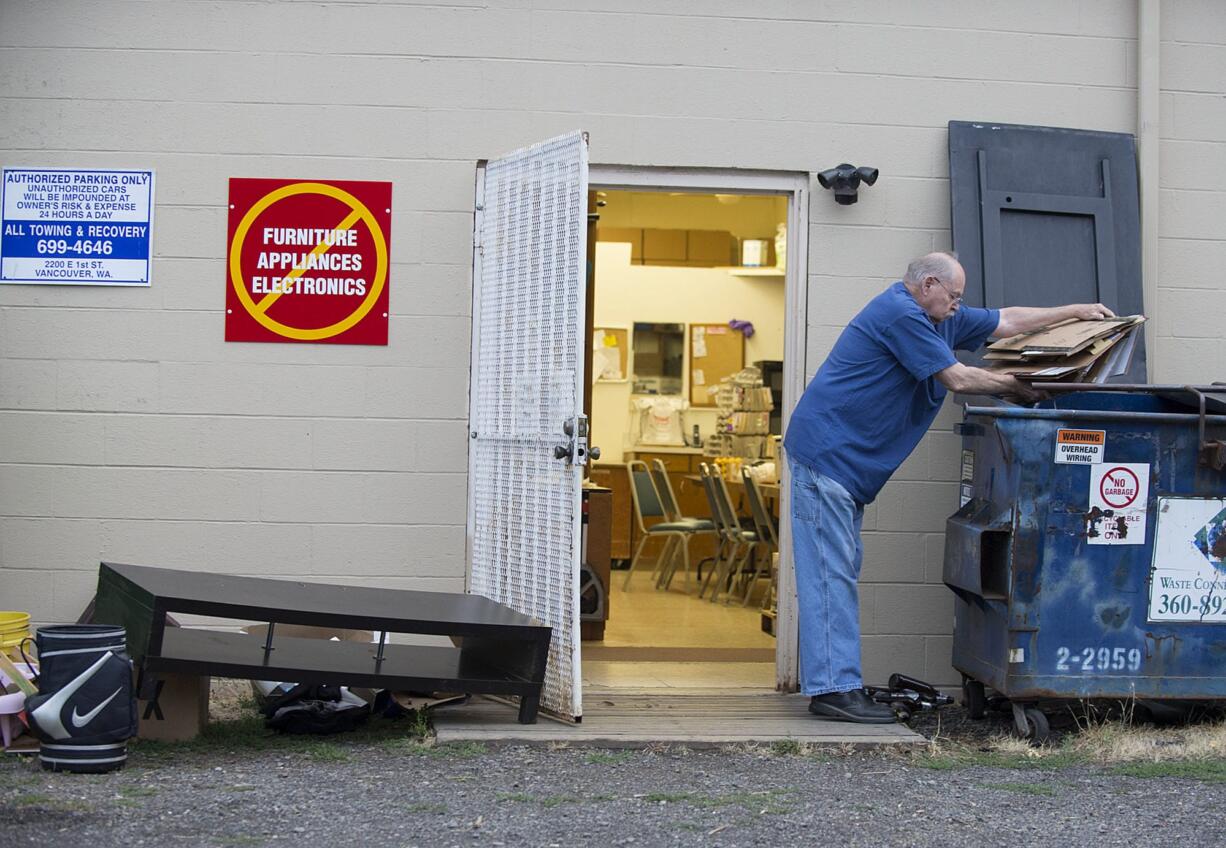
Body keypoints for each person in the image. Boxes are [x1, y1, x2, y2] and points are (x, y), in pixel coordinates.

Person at [783, 251, 1113, 723]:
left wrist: (1074, 312)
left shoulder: (941, 318)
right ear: (929, 285)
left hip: (847, 468)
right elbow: (958, 378)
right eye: (954, 296)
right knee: (830, 576)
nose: (959, 305)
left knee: (839, 570)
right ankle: (834, 690)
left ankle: (839, 682)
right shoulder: (900, 313)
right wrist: (1022, 387)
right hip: (827, 459)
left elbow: (1006, 321)